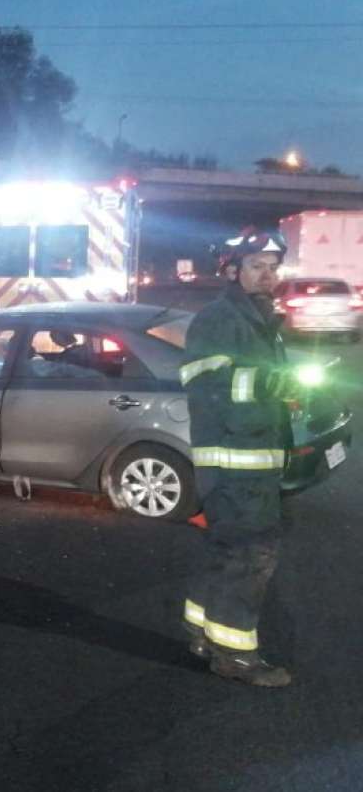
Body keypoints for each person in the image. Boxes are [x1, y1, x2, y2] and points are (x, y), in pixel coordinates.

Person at [179, 228, 301, 687]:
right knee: (251, 556)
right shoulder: (219, 319)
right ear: (233, 271)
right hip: (235, 462)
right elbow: (204, 383)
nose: (268, 275)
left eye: (273, 268)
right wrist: (269, 384)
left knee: (225, 549)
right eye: (256, 267)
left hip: (249, 459)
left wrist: (285, 395)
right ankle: (234, 654)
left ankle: (201, 634)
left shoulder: (257, 319)